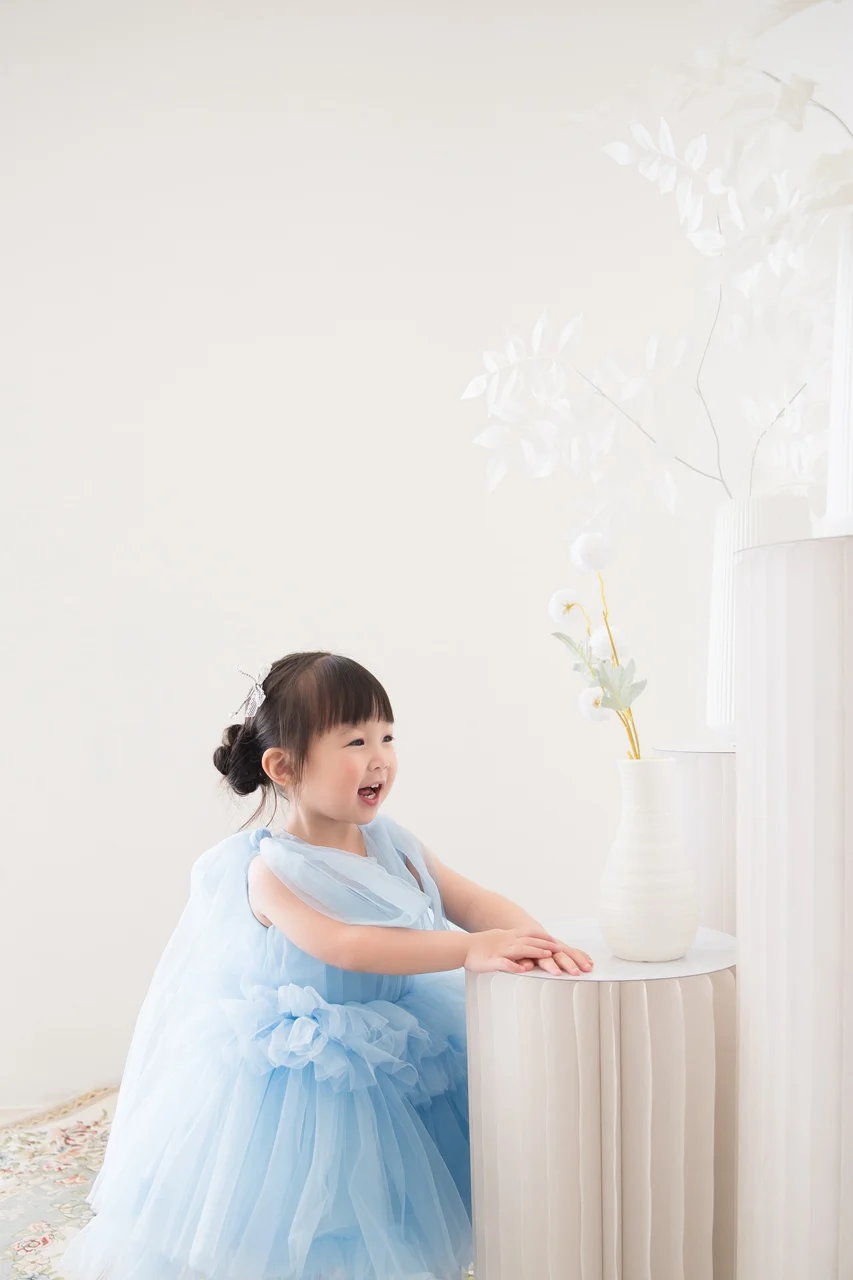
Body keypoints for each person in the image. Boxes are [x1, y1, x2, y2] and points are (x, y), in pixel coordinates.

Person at [61, 651, 593, 1280]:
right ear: (284, 766)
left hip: (397, 1041)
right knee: (322, 1211)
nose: (379, 758)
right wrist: (469, 949)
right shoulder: (271, 870)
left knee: (405, 1195)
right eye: (355, 742)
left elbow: (469, 899)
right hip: (308, 1068)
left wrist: (527, 936)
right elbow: (345, 944)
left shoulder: (394, 842)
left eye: (387, 737)